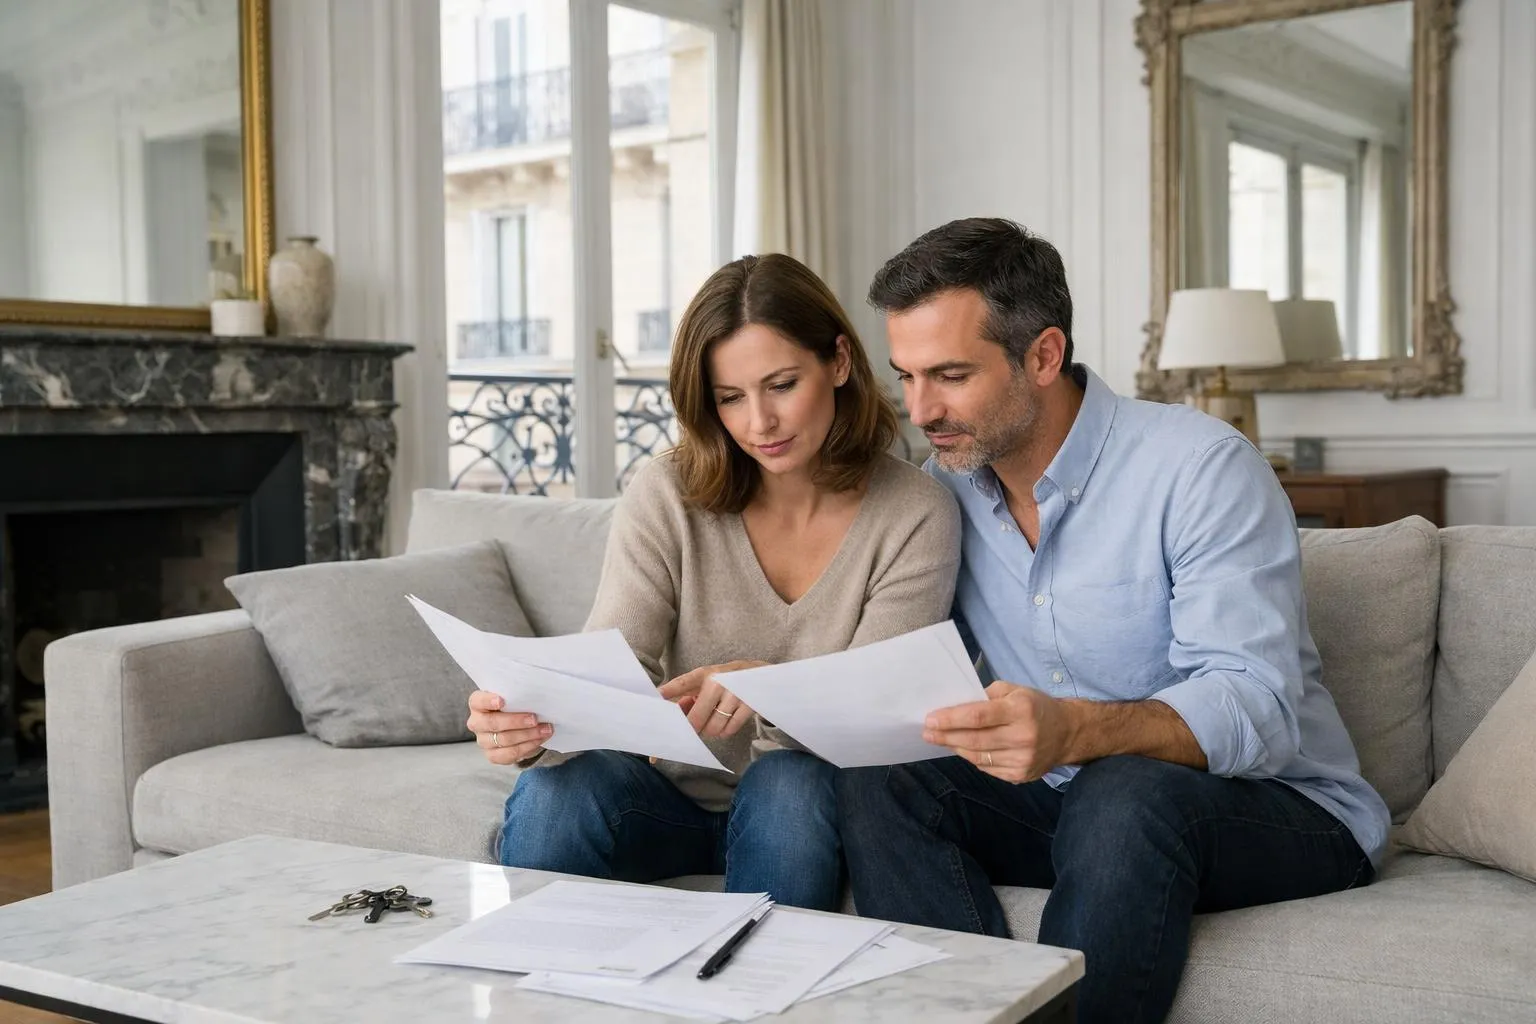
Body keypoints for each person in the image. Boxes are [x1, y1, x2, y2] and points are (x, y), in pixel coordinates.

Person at [836, 218, 1390, 1021]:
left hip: (1279, 807)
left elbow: (1256, 706)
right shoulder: (944, 490)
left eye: (950, 375)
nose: (920, 409)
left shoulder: (1200, 468)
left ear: (1043, 355)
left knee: (1121, 788)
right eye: (907, 376)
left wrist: (1074, 731)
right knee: (883, 780)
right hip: (1073, 804)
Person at [465, 253, 961, 911]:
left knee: (787, 785)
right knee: (555, 793)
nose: (760, 423)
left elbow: (878, 719)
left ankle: (758, 977)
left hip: (807, 805)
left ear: (839, 361)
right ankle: (536, 973)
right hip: (664, 805)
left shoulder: (916, 511)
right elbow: (610, 667)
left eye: (782, 385)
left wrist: (768, 687)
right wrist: (530, 726)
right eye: (730, 398)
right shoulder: (667, 492)